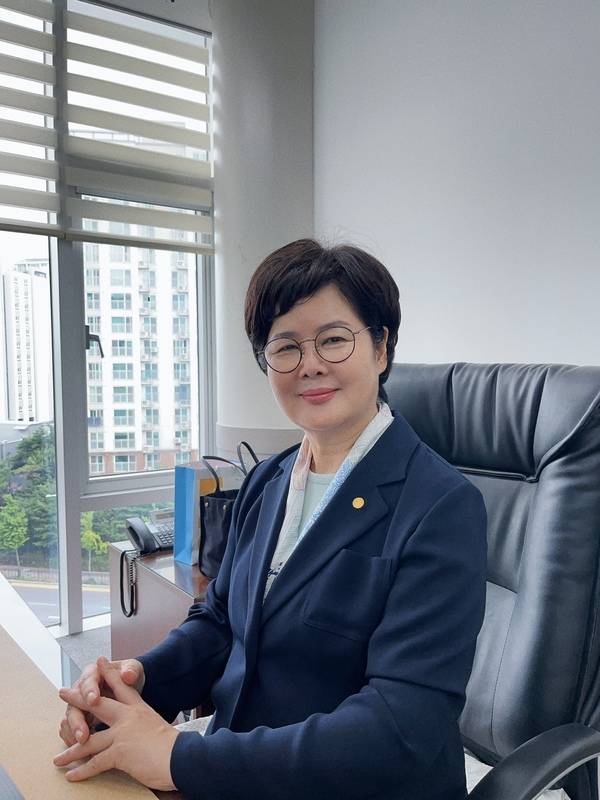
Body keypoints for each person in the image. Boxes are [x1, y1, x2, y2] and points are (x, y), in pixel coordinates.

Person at [56, 239, 487, 799]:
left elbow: (402, 725)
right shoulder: (268, 481)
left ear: (381, 348)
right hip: (239, 772)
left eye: (334, 339)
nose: (310, 365)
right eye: (285, 347)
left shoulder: (441, 506)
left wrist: (181, 757)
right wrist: (138, 680)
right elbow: (220, 623)